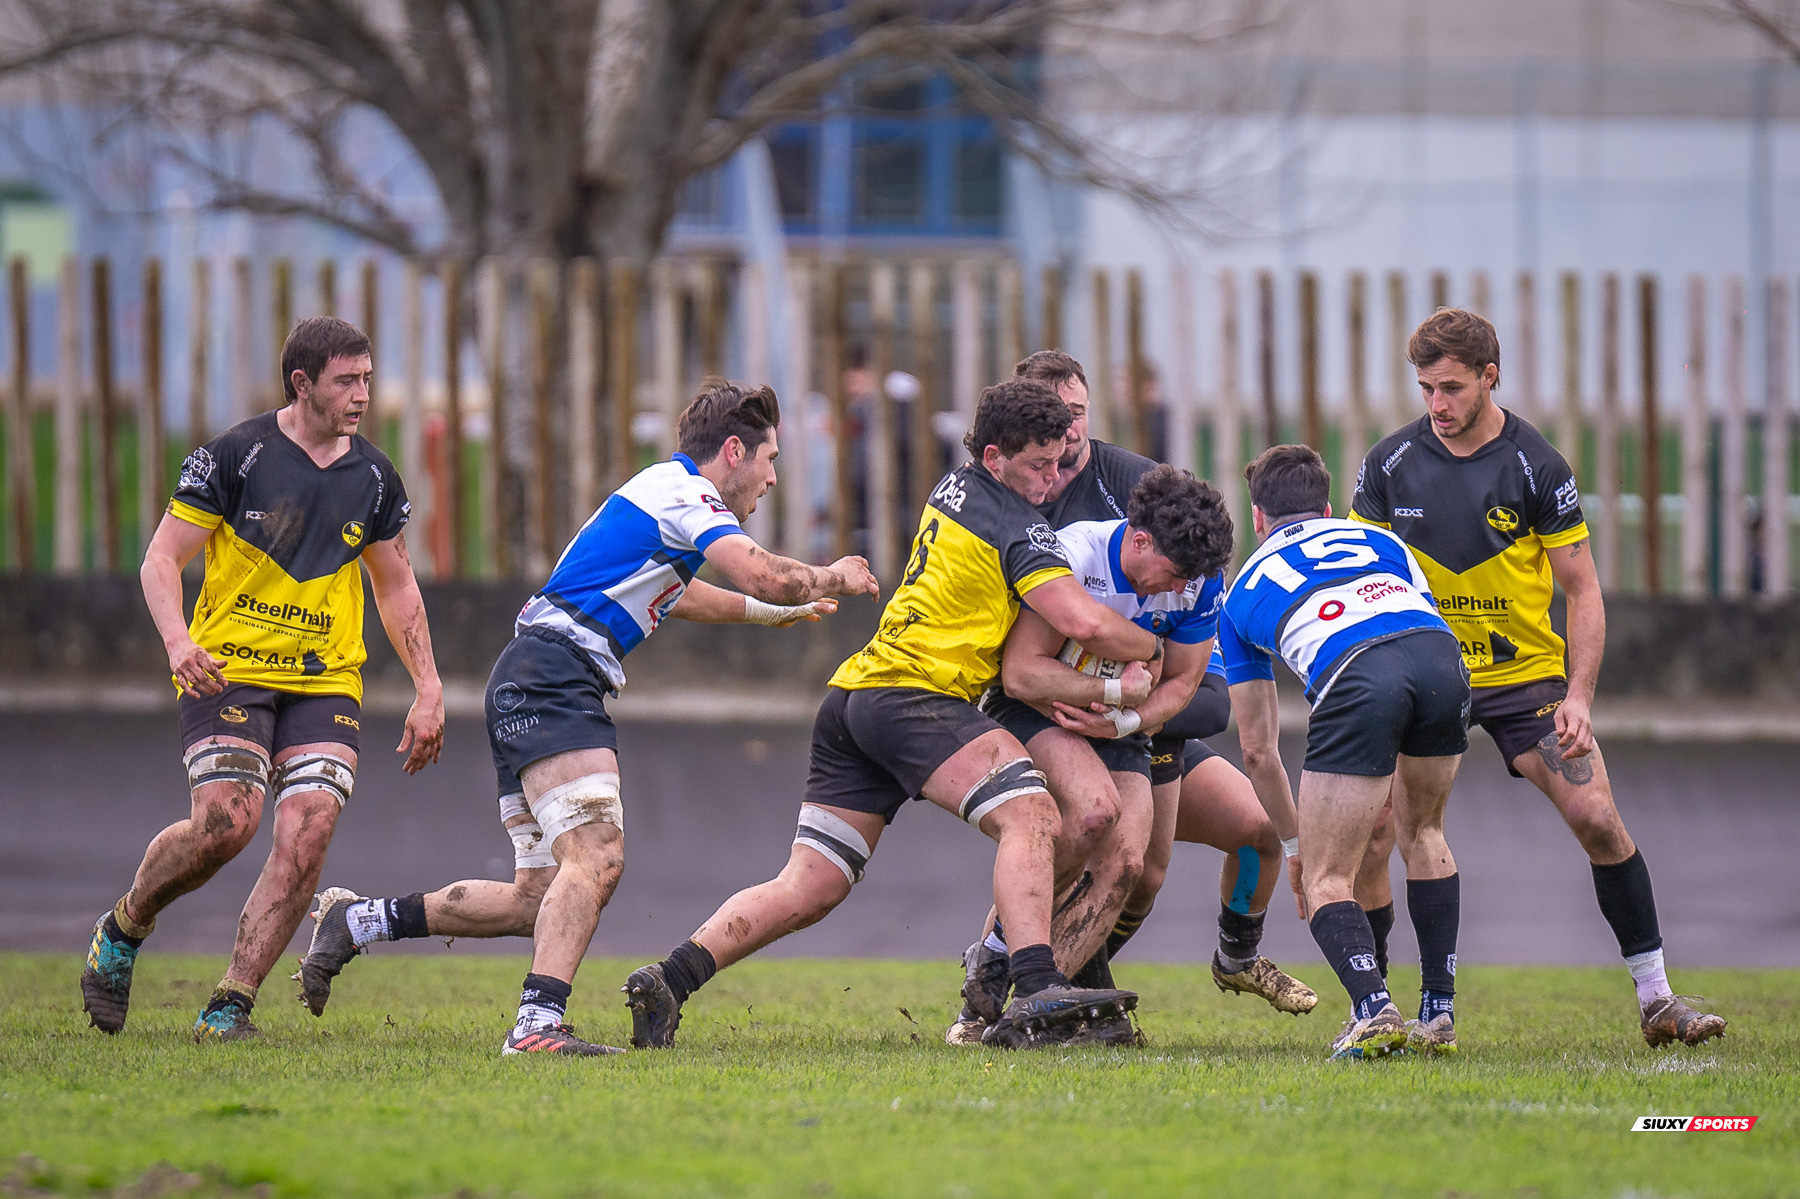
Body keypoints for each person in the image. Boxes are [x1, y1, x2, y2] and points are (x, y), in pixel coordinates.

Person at [297, 382, 879, 1056]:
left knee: (536, 897)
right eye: (769, 458)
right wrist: (830, 577)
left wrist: (777, 614)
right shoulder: (687, 493)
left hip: (533, 672)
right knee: (597, 854)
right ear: (732, 451)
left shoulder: (663, 497)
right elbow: (767, 573)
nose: (774, 476)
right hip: (554, 676)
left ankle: (358, 919)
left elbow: (678, 593)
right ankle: (536, 1026)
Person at [624, 379, 1162, 1052]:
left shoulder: (956, 485)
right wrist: (1149, 646)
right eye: (1039, 464)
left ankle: (669, 979)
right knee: (1034, 815)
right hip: (914, 697)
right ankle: (1035, 984)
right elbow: (1080, 619)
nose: (1054, 479)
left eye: (1060, 462)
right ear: (995, 457)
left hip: (855, 700)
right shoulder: (1018, 523)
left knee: (808, 886)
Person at [1350, 308, 1727, 1049]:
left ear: (1491, 377)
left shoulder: (1536, 466)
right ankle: (1396, 1007)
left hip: (1527, 680)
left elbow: (1582, 591)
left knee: (1597, 818)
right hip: (1428, 675)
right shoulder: (1389, 465)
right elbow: (1363, 575)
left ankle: (1657, 999)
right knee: (1386, 832)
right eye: (1426, 388)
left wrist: (1580, 697)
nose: (1437, 404)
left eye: (1452, 387)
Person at [80, 316, 444, 1042]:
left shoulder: (372, 476)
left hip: (325, 678)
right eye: (347, 380)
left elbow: (397, 586)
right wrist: (178, 641)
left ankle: (230, 1003)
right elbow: (160, 560)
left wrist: (429, 686)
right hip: (228, 671)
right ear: (302, 383)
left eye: (368, 378)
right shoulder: (234, 457)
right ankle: (124, 925)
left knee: (308, 830)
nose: (363, 394)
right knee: (227, 823)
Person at [944, 466, 1242, 1046]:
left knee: (1128, 866)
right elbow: (1022, 672)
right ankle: (998, 975)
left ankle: (1019, 1016)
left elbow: (1181, 686)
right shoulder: (1076, 555)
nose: (1178, 588)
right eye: (1173, 573)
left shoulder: (1198, 579)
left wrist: (1126, 720)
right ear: (1138, 540)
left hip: (1119, 722)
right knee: (1092, 813)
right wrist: (1108, 695)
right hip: (1038, 709)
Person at [1222, 444, 1469, 1059]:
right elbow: (1410, 626)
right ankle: (1437, 1010)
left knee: (1330, 874)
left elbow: (1257, 749)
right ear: (1328, 507)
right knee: (1426, 834)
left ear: (1258, 519)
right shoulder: (1385, 544)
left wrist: (1296, 847)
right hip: (1442, 659)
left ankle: (1373, 1009)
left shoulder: (1243, 588)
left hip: (1358, 675)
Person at [1071, 639, 1319, 1018]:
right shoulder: (1096, 592)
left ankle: (1237, 957)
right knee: (1065, 869)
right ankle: (990, 993)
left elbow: (1213, 707)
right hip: (1079, 741)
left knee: (1257, 832)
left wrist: (1135, 716)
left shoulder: (1190, 595)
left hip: (1157, 742)